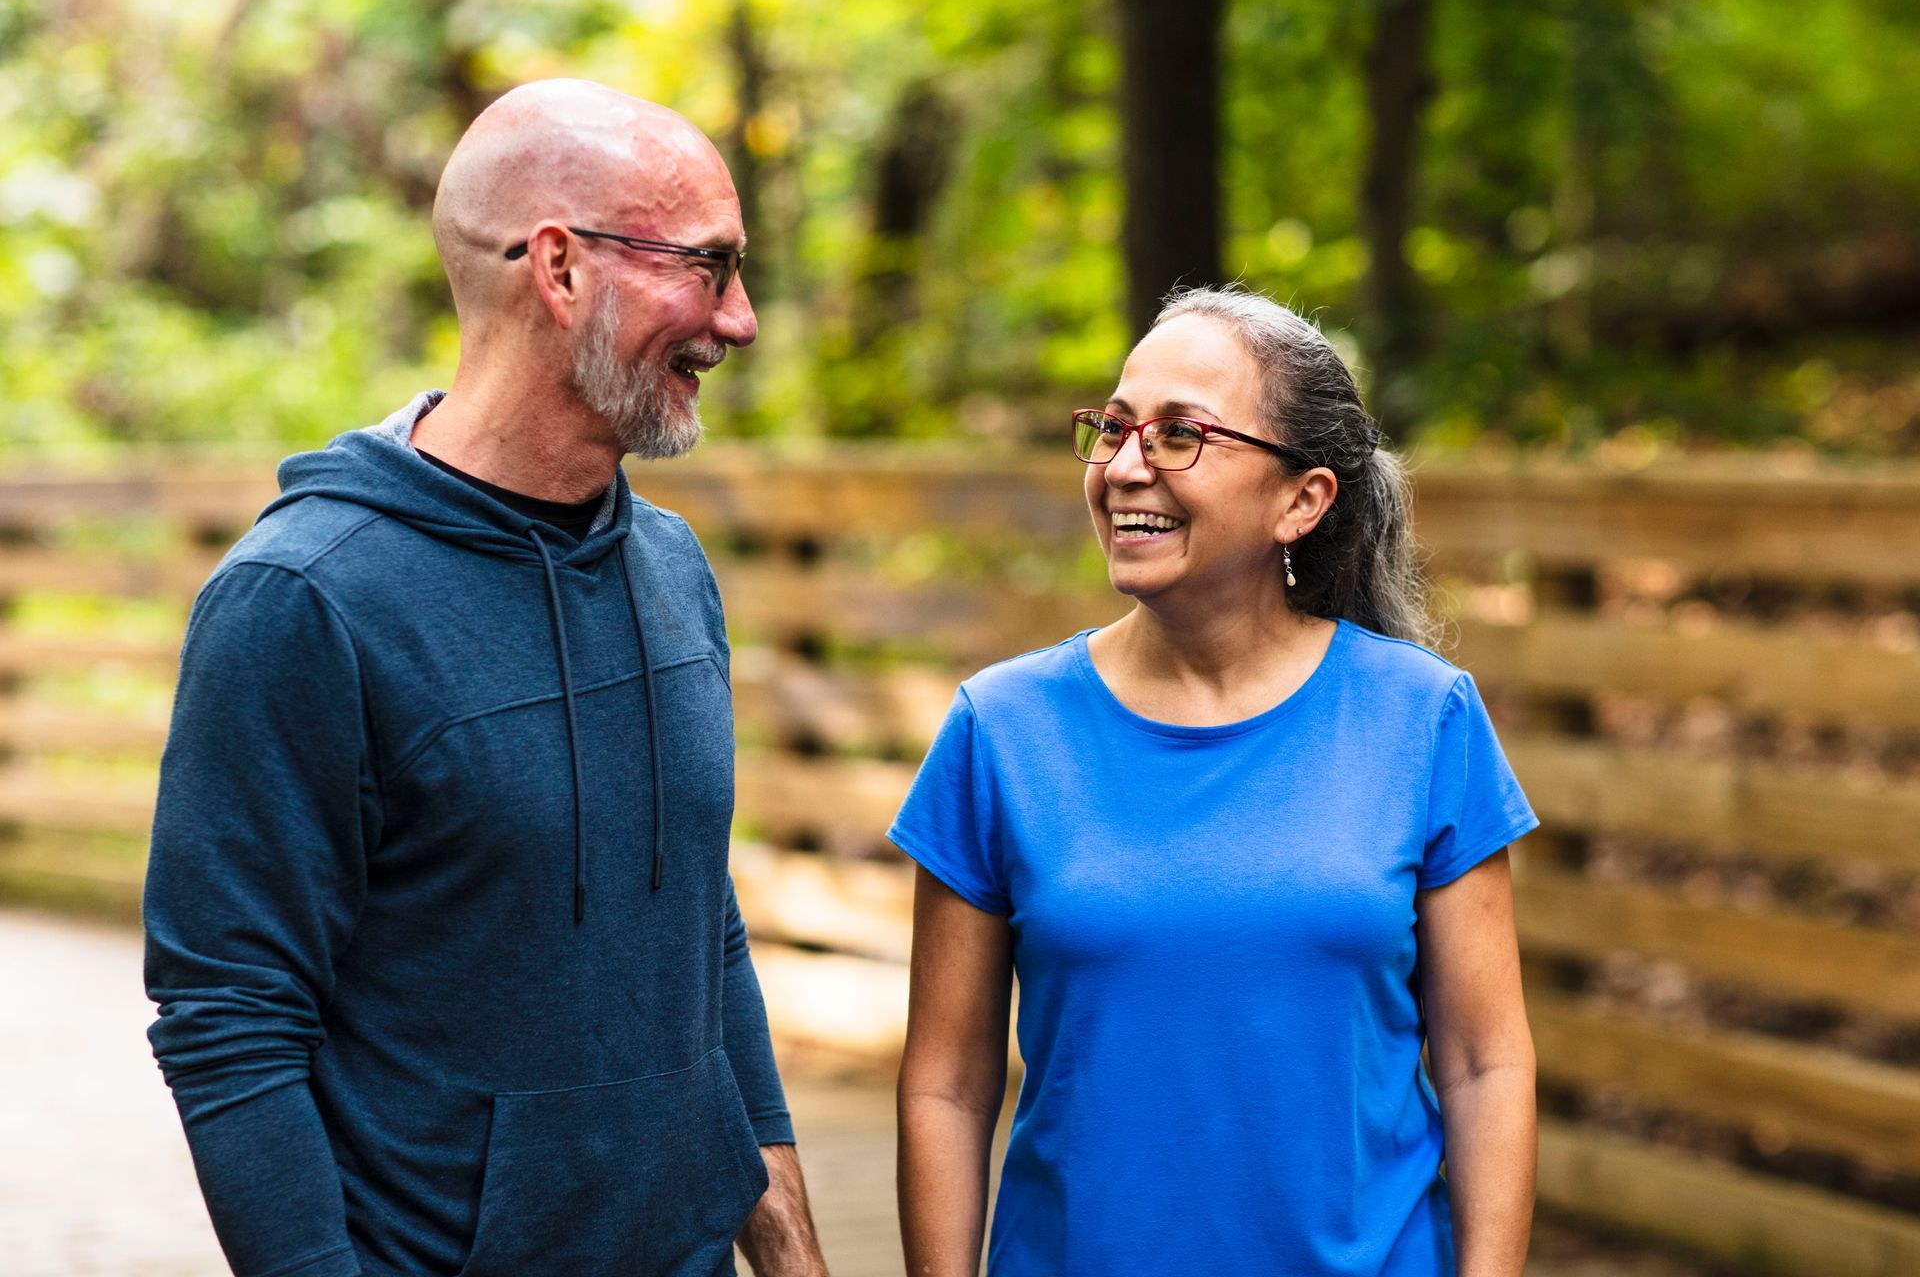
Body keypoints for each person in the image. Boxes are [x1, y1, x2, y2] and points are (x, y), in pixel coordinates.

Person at [144, 80, 829, 1277]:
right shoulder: (304, 600)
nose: (742, 319)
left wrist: (789, 1250)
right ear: (559, 268)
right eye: (708, 267)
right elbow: (230, 1020)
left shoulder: (670, 566)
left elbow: (696, 937)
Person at [893, 287, 1539, 1276]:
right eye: (1112, 427)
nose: (1123, 464)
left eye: (1179, 434)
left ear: (1302, 499)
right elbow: (946, 1081)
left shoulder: (1424, 718)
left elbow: (1484, 1064)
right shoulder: (1002, 729)